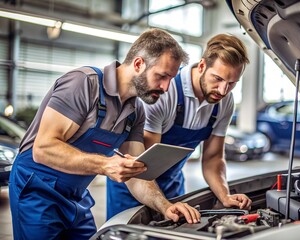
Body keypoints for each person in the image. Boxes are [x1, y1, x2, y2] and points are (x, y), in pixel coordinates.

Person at [8, 28, 201, 240]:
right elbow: (43, 149)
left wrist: (165, 206)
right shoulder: (83, 84)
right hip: (37, 190)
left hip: (76, 196)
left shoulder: (136, 113)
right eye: (161, 76)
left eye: (171, 79)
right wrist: (105, 165)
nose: (165, 87)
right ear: (138, 64)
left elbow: (137, 173)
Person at [107, 33, 252, 219]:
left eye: (231, 83)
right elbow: (146, 163)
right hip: (134, 182)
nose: (223, 90)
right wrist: (163, 204)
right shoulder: (164, 93)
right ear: (201, 66)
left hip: (172, 182)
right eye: (217, 79)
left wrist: (225, 195)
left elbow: (213, 158)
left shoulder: (225, 102)